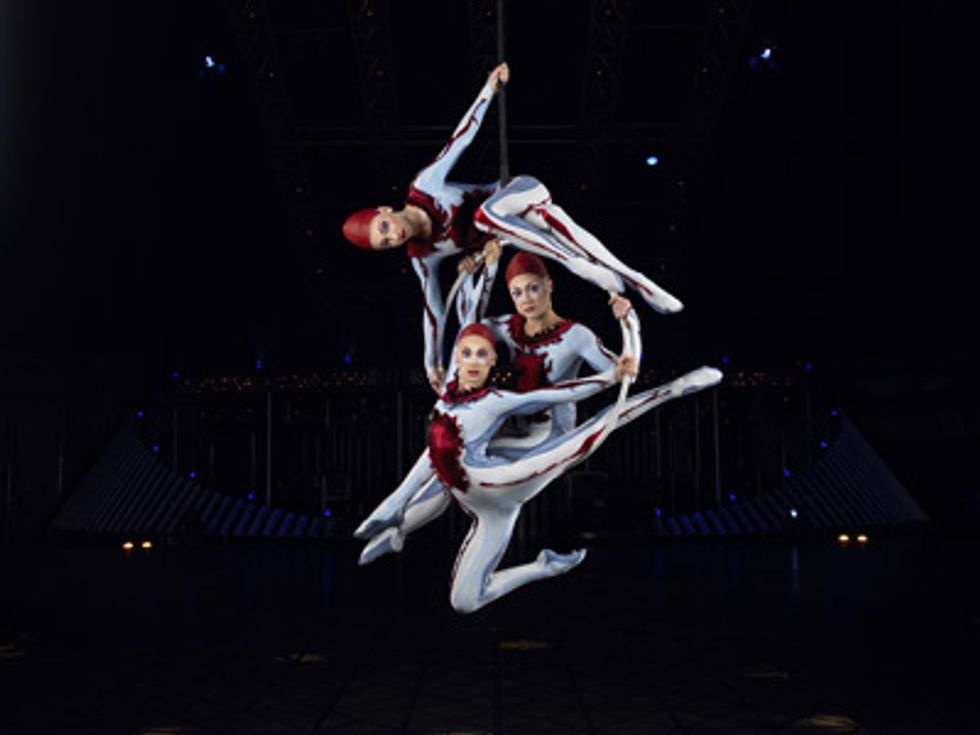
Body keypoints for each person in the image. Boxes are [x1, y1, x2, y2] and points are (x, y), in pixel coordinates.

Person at [342, 61, 682, 393]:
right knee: (476, 309)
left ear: (384, 209)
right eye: (385, 242)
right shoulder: (423, 256)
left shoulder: (425, 187)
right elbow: (433, 312)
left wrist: (487, 91)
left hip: (520, 192)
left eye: (384, 226)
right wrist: (432, 363)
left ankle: (581, 266)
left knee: (487, 219)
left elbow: (459, 140)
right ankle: (641, 283)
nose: (393, 235)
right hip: (519, 228)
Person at [391, 322, 721, 613]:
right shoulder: (443, 401)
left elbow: (553, 395)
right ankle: (544, 567)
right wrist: (397, 526)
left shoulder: (494, 400)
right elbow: (435, 474)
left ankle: (673, 389)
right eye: (467, 353)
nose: (474, 360)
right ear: (456, 359)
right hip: (492, 512)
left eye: (482, 354)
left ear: (493, 361)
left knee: (597, 429)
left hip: (506, 478)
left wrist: (611, 375)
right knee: (464, 601)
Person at [353, 247, 633, 560]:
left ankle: (398, 516)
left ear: (549, 285)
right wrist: (478, 273)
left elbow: (621, 370)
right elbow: (468, 325)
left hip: (549, 433)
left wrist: (628, 320)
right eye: (516, 292)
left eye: (533, 288)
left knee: (456, 465)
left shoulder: (576, 335)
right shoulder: (505, 327)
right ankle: (397, 528)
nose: (526, 298)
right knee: (450, 452)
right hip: (508, 423)